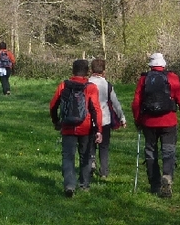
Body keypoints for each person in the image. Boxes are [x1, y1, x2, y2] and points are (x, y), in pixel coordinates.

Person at [132, 52, 180, 198]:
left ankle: (154, 184)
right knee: (168, 151)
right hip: (169, 121)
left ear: (150, 66)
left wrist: (138, 120)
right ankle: (167, 176)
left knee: (151, 152)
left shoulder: (144, 79)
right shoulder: (172, 77)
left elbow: (136, 102)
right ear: (163, 64)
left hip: (148, 122)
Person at [50, 59, 103, 197]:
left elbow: (53, 105)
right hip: (85, 127)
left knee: (68, 157)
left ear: (72, 70)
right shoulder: (90, 88)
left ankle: (69, 184)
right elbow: (95, 109)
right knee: (85, 156)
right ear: (87, 72)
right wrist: (98, 130)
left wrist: (56, 121)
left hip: (67, 126)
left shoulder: (64, 85)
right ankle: (84, 185)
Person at [88, 58, 126, 179]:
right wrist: (122, 118)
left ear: (91, 70)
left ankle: (91, 162)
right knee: (104, 146)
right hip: (104, 119)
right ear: (104, 71)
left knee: (90, 144)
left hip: (89, 119)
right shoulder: (107, 85)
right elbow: (115, 104)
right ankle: (104, 171)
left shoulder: (87, 83)